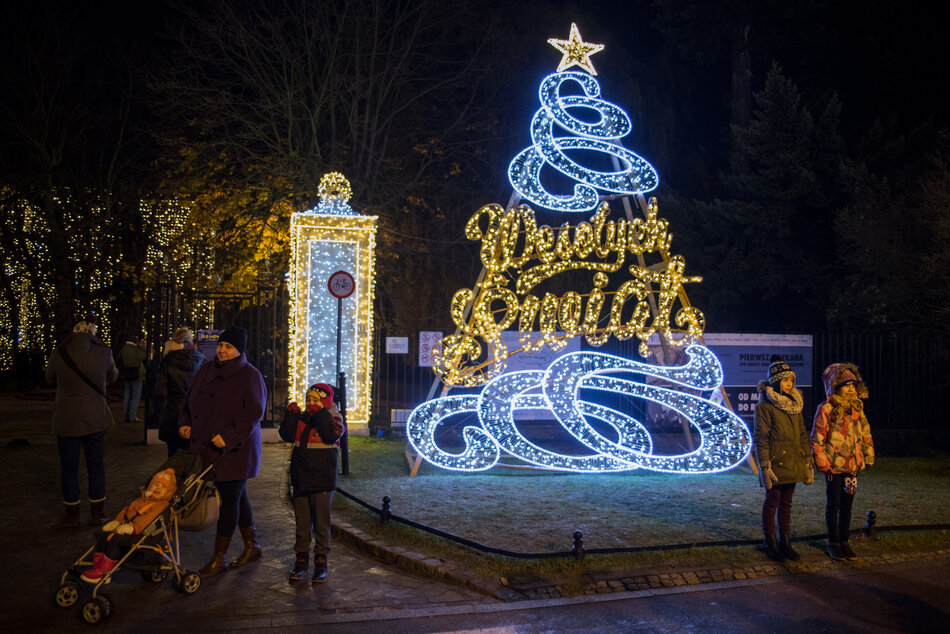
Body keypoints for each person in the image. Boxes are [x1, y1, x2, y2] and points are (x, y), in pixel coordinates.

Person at [178, 326, 266, 578]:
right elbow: (189, 400)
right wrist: (184, 422)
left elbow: (253, 413)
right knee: (237, 496)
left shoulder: (250, 375)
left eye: (228, 347)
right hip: (207, 446)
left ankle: (220, 558)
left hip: (235, 449)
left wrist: (228, 437)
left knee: (230, 499)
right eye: (221, 345)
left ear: (239, 351)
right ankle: (252, 546)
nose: (222, 350)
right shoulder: (205, 369)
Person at [46, 315, 119, 527]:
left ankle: (72, 513)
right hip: (95, 418)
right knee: (96, 466)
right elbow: (113, 376)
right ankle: (97, 512)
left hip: (66, 418)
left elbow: (50, 379)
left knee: (69, 467)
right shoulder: (104, 353)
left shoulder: (58, 353)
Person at [279, 382, 346, 583]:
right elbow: (288, 435)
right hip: (301, 479)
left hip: (322, 480)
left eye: (315, 400)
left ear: (326, 401)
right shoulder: (303, 419)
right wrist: (291, 415)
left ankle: (320, 562)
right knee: (302, 525)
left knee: (322, 524)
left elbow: (330, 433)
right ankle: (300, 562)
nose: (310, 404)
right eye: (308, 400)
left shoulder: (334, 418)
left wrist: (319, 413)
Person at [811, 362, 875, 561]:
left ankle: (844, 540)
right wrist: (822, 460)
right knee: (834, 503)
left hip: (852, 466)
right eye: (846, 384)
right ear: (835, 386)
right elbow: (817, 437)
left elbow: (865, 432)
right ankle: (834, 541)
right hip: (833, 465)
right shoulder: (827, 409)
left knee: (848, 502)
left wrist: (868, 453)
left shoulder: (857, 408)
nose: (850, 389)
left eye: (853, 385)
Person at [753, 356, 813, 562]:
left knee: (787, 503)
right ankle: (769, 542)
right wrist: (764, 465)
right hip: (776, 463)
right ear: (776, 381)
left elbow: (803, 435)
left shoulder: (795, 407)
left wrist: (807, 460)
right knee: (773, 502)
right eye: (786, 380)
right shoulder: (765, 408)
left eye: (792, 381)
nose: (790, 384)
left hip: (793, 463)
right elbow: (761, 438)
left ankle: (785, 541)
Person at [80, 468, 177, 583]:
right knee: (103, 533)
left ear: (169, 492)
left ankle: (104, 571)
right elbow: (127, 511)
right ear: (150, 486)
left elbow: (146, 519)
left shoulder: (162, 505)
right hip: (126, 525)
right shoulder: (143, 498)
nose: (158, 488)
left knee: (117, 539)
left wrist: (133, 528)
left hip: (142, 533)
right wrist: (117, 521)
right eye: (155, 484)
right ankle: (98, 565)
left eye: (163, 487)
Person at [156, 328, 204, 457]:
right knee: (191, 453)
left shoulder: (168, 361)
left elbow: (161, 391)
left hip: (173, 410)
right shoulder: (200, 360)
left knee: (173, 453)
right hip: (194, 411)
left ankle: (174, 475)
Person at [117, 335, 147, 422]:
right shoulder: (135, 349)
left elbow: (119, 358)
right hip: (136, 375)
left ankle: (126, 415)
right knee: (135, 396)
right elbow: (144, 356)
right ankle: (132, 416)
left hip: (126, 375)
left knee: (127, 396)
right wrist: (142, 347)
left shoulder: (124, 348)